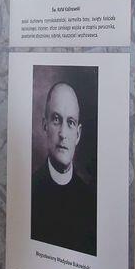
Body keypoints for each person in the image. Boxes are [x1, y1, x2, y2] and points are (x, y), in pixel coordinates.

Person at [30, 81, 96, 256]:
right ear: (45, 125)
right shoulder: (29, 190)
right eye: (56, 119)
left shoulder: (91, 201)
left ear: (78, 135)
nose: (63, 133)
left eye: (71, 122)